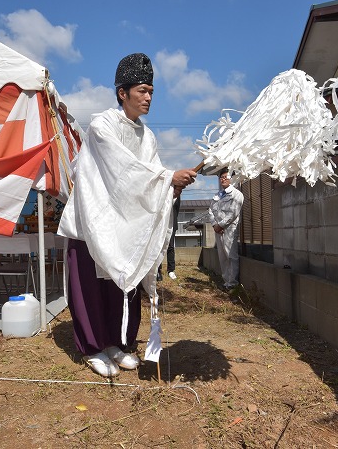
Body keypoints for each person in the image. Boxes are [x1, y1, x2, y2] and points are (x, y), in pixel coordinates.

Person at [58, 53, 197, 378]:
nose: (148, 98)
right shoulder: (102, 125)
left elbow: (151, 172)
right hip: (92, 221)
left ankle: (117, 344)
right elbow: (121, 169)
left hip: (125, 225)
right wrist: (165, 178)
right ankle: (93, 347)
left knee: (123, 284)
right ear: (123, 92)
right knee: (91, 287)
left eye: (151, 91)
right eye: (142, 91)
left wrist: (169, 185)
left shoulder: (147, 137)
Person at [208, 169, 244, 290]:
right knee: (222, 256)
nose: (223, 179)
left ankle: (232, 283)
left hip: (230, 229)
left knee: (231, 256)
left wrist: (221, 225)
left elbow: (233, 212)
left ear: (232, 179)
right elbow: (210, 211)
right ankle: (226, 281)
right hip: (218, 229)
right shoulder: (217, 195)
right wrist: (214, 225)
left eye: (225, 177)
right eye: (221, 177)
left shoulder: (237, 194)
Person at [158, 197, 180, 280]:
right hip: (160, 224)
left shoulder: (177, 193)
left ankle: (171, 270)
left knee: (170, 247)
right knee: (159, 247)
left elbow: (177, 209)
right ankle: (157, 270)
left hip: (171, 224)